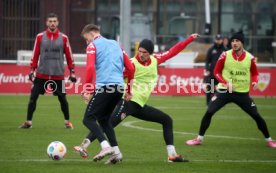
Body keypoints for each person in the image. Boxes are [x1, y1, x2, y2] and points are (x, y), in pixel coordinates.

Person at [74, 33, 200, 163]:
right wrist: (92, 90)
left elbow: (174, 50)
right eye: (139, 51)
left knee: (167, 120)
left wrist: (189, 39)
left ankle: (172, 155)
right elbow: (113, 79)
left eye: (144, 52)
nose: (140, 54)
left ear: (150, 53)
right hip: (127, 102)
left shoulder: (156, 59)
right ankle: (86, 145)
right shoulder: (132, 63)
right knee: (108, 123)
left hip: (139, 105)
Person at [186, 31, 276, 148]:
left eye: (237, 41)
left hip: (242, 94)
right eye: (233, 41)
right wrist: (225, 83)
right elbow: (216, 72)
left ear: (242, 43)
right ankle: (199, 139)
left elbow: (255, 73)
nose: (234, 43)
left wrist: (255, 81)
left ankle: (269, 140)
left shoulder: (250, 58)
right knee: (209, 111)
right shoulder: (225, 55)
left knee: (256, 115)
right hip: (224, 91)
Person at [79, 24, 134, 164]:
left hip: (106, 87)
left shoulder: (93, 45)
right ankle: (117, 153)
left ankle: (105, 146)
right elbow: (130, 68)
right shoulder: (116, 45)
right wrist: (128, 90)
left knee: (88, 119)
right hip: (119, 88)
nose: (87, 42)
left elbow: (90, 67)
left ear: (91, 33)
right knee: (104, 120)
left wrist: (87, 89)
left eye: (86, 39)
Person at [19, 13, 76, 129]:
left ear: (58, 23)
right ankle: (28, 122)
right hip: (41, 75)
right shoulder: (40, 37)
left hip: (58, 75)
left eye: (54, 21)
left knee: (63, 99)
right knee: (33, 97)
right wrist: (32, 70)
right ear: (47, 23)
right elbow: (35, 54)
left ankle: (67, 122)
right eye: (50, 21)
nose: (52, 23)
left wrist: (72, 71)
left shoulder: (64, 38)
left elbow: (69, 56)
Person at [204, 34, 226, 105]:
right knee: (209, 88)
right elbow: (207, 60)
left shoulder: (225, 50)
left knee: (222, 89)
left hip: (222, 73)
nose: (218, 41)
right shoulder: (211, 49)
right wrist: (207, 68)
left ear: (222, 40)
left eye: (219, 39)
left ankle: (221, 102)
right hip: (213, 73)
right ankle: (208, 103)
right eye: (217, 39)